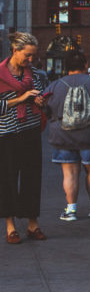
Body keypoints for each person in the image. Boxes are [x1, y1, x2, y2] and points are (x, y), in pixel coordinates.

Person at [42, 50, 90, 221]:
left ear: (66, 68)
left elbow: (47, 108)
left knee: (69, 174)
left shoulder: (55, 85)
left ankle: (71, 210)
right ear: (85, 65)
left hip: (63, 136)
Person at [1, 32, 49, 244]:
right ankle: (10, 226)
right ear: (15, 50)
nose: (30, 60)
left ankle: (32, 224)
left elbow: (44, 99)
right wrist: (19, 99)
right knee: (7, 179)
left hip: (30, 130)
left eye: (33, 56)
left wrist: (40, 103)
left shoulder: (37, 75)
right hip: (6, 133)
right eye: (27, 56)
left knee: (32, 177)